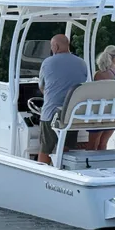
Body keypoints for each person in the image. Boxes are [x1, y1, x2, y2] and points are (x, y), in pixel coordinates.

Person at [37, 34, 89, 165]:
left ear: (55, 46)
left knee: (45, 148)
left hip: (51, 113)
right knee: (67, 148)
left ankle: (42, 170)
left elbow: (42, 87)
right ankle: (63, 168)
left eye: (51, 46)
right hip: (72, 114)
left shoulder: (48, 62)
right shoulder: (82, 63)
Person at [88, 45, 115, 151]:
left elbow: (94, 95)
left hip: (99, 114)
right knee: (103, 144)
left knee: (92, 145)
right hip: (114, 115)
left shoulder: (99, 74)